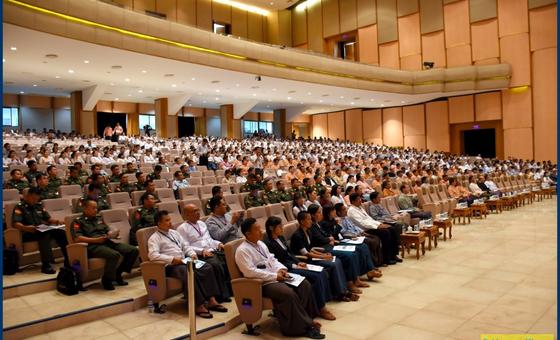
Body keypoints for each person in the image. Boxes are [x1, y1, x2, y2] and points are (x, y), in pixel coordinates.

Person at [235, 218, 325, 339]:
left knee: (304, 284)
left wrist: (282, 269)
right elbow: (250, 272)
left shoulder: (261, 244)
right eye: (257, 230)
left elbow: (272, 259)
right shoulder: (242, 250)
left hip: (276, 275)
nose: (261, 231)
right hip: (262, 283)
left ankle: (305, 318)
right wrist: (274, 276)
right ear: (248, 233)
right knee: (288, 293)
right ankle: (300, 327)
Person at [148, 210, 228, 318]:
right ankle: (197, 305)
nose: (170, 222)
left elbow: (186, 246)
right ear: (159, 223)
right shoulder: (154, 238)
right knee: (187, 273)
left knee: (206, 267)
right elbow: (153, 256)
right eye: (167, 220)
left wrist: (192, 253)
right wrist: (172, 259)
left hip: (184, 260)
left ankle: (211, 300)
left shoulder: (174, 233)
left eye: (170, 219)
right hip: (171, 266)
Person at [263, 216, 336, 321]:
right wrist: (294, 265)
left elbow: (290, 254)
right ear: (271, 228)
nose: (282, 228)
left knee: (322, 272)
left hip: (294, 264)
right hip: (285, 269)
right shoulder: (268, 243)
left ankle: (322, 303)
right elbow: (276, 262)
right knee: (316, 276)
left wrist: (299, 262)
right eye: (279, 226)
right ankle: (321, 309)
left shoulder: (281, 238)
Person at [290, 211, 359, 302]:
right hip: (305, 260)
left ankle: (344, 290)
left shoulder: (308, 231)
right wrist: (323, 257)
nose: (311, 221)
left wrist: (323, 255)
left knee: (337, 261)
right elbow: (305, 253)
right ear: (302, 222)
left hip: (312, 256)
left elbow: (311, 249)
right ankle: (340, 294)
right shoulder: (297, 235)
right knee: (333, 264)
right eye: (309, 219)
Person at [71, 199, 139, 290]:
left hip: (107, 242)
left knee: (133, 250)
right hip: (93, 246)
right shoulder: (78, 221)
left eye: (96, 208)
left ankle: (118, 273)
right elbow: (77, 238)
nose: (96, 210)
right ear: (85, 209)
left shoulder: (99, 218)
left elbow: (107, 230)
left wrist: (113, 234)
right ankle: (107, 280)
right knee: (114, 255)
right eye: (93, 208)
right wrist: (96, 240)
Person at [177, 204, 231, 302]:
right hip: (199, 254)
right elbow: (185, 246)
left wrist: (218, 244)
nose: (198, 213)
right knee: (216, 264)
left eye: (198, 210)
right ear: (187, 215)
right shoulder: (182, 228)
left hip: (211, 250)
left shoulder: (202, 223)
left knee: (228, 259)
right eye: (194, 211)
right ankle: (221, 295)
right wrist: (201, 251)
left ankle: (230, 290)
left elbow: (209, 239)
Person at [12, 188, 69, 274]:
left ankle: (68, 260)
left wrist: (58, 222)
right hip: (28, 232)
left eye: (37, 199)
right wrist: (27, 228)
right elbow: (16, 224)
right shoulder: (19, 207)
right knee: (43, 234)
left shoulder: (39, 205)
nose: (35, 201)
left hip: (42, 229)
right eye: (33, 198)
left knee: (61, 233)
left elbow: (48, 219)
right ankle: (46, 265)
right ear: (27, 196)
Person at [347, 193, 401, 266]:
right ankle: (386, 259)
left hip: (371, 226)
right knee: (385, 232)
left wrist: (379, 224)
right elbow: (362, 223)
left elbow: (369, 219)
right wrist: (377, 226)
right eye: (358, 199)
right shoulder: (352, 211)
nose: (360, 201)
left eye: (360, 199)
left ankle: (393, 255)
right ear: (353, 201)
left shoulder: (360, 208)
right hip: (365, 229)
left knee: (392, 229)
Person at [335, 203, 384, 267]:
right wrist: (356, 235)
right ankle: (374, 263)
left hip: (359, 234)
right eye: (344, 210)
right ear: (339, 212)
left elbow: (354, 226)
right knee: (369, 242)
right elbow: (344, 232)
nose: (346, 210)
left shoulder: (347, 218)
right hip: (352, 237)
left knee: (376, 238)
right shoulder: (339, 221)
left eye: (346, 209)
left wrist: (362, 231)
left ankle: (380, 261)